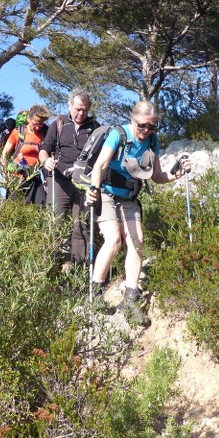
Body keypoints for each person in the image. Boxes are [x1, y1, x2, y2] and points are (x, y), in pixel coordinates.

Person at [84, 99, 192, 327]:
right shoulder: (119, 135)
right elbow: (100, 165)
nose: (146, 131)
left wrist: (177, 174)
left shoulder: (152, 141)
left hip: (129, 196)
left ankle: (131, 299)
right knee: (113, 240)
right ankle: (95, 293)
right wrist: (93, 188)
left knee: (138, 240)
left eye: (152, 126)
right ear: (133, 119)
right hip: (106, 192)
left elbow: (157, 176)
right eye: (142, 125)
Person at [38, 88, 99, 266]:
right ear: (69, 105)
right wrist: (46, 161)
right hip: (59, 180)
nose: (81, 113)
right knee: (54, 223)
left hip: (83, 182)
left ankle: (79, 272)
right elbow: (44, 150)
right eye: (78, 108)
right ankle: (49, 268)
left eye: (85, 109)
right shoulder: (58, 124)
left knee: (81, 226)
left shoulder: (95, 127)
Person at [0, 104, 51, 206]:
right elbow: (4, 154)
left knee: (41, 207)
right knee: (14, 211)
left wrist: (47, 179)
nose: (37, 127)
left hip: (35, 178)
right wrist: (4, 176)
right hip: (16, 178)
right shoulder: (18, 132)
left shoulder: (45, 134)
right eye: (35, 123)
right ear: (28, 118)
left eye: (40, 124)